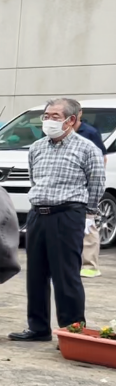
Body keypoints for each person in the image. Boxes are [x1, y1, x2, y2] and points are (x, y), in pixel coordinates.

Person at [8, 98, 105, 342]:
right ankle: (38, 328)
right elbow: (34, 180)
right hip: (38, 214)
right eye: (46, 116)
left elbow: (96, 184)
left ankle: (72, 331)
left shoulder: (86, 148)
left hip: (67, 214)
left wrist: (89, 213)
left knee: (66, 276)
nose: (48, 120)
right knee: (36, 275)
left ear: (70, 120)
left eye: (54, 116)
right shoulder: (37, 148)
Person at [71, 102, 107, 279]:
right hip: (67, 189)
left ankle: (89, 265)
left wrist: (92, 182)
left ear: (78, 114)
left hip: (85, 187)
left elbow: (101, 159)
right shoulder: (56, 133)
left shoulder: (90, 133)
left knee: (88, 224)